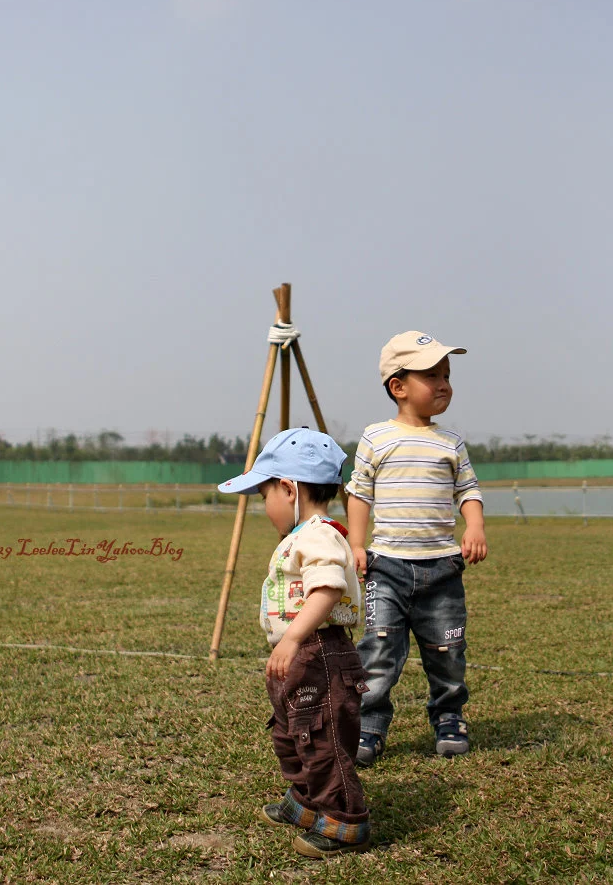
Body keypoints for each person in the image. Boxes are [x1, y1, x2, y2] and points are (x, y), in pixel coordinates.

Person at [218, 428, 371, 859]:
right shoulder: (303, 535)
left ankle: (344, 821)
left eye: (265, 495)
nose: (264, 507)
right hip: (303, 655)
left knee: (322, 739)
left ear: (289, 489)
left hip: (320, 652)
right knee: (294, 732)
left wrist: (294, 639)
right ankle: (307, 802)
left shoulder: (318, 535)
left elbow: (327, 587)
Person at [346, 331, 487, 766]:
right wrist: (355, 542)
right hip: (386, 567)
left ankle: (448, 714)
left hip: (442, 568)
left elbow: (468, 490)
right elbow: (359, 494)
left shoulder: (451, 442)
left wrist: (475, 526)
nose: (444, 383)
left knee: (447, 649)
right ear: (399, 386)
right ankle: (369, 725)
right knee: (378, 648)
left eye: (447, 374)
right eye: (432, 375)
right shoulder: (375, 438)